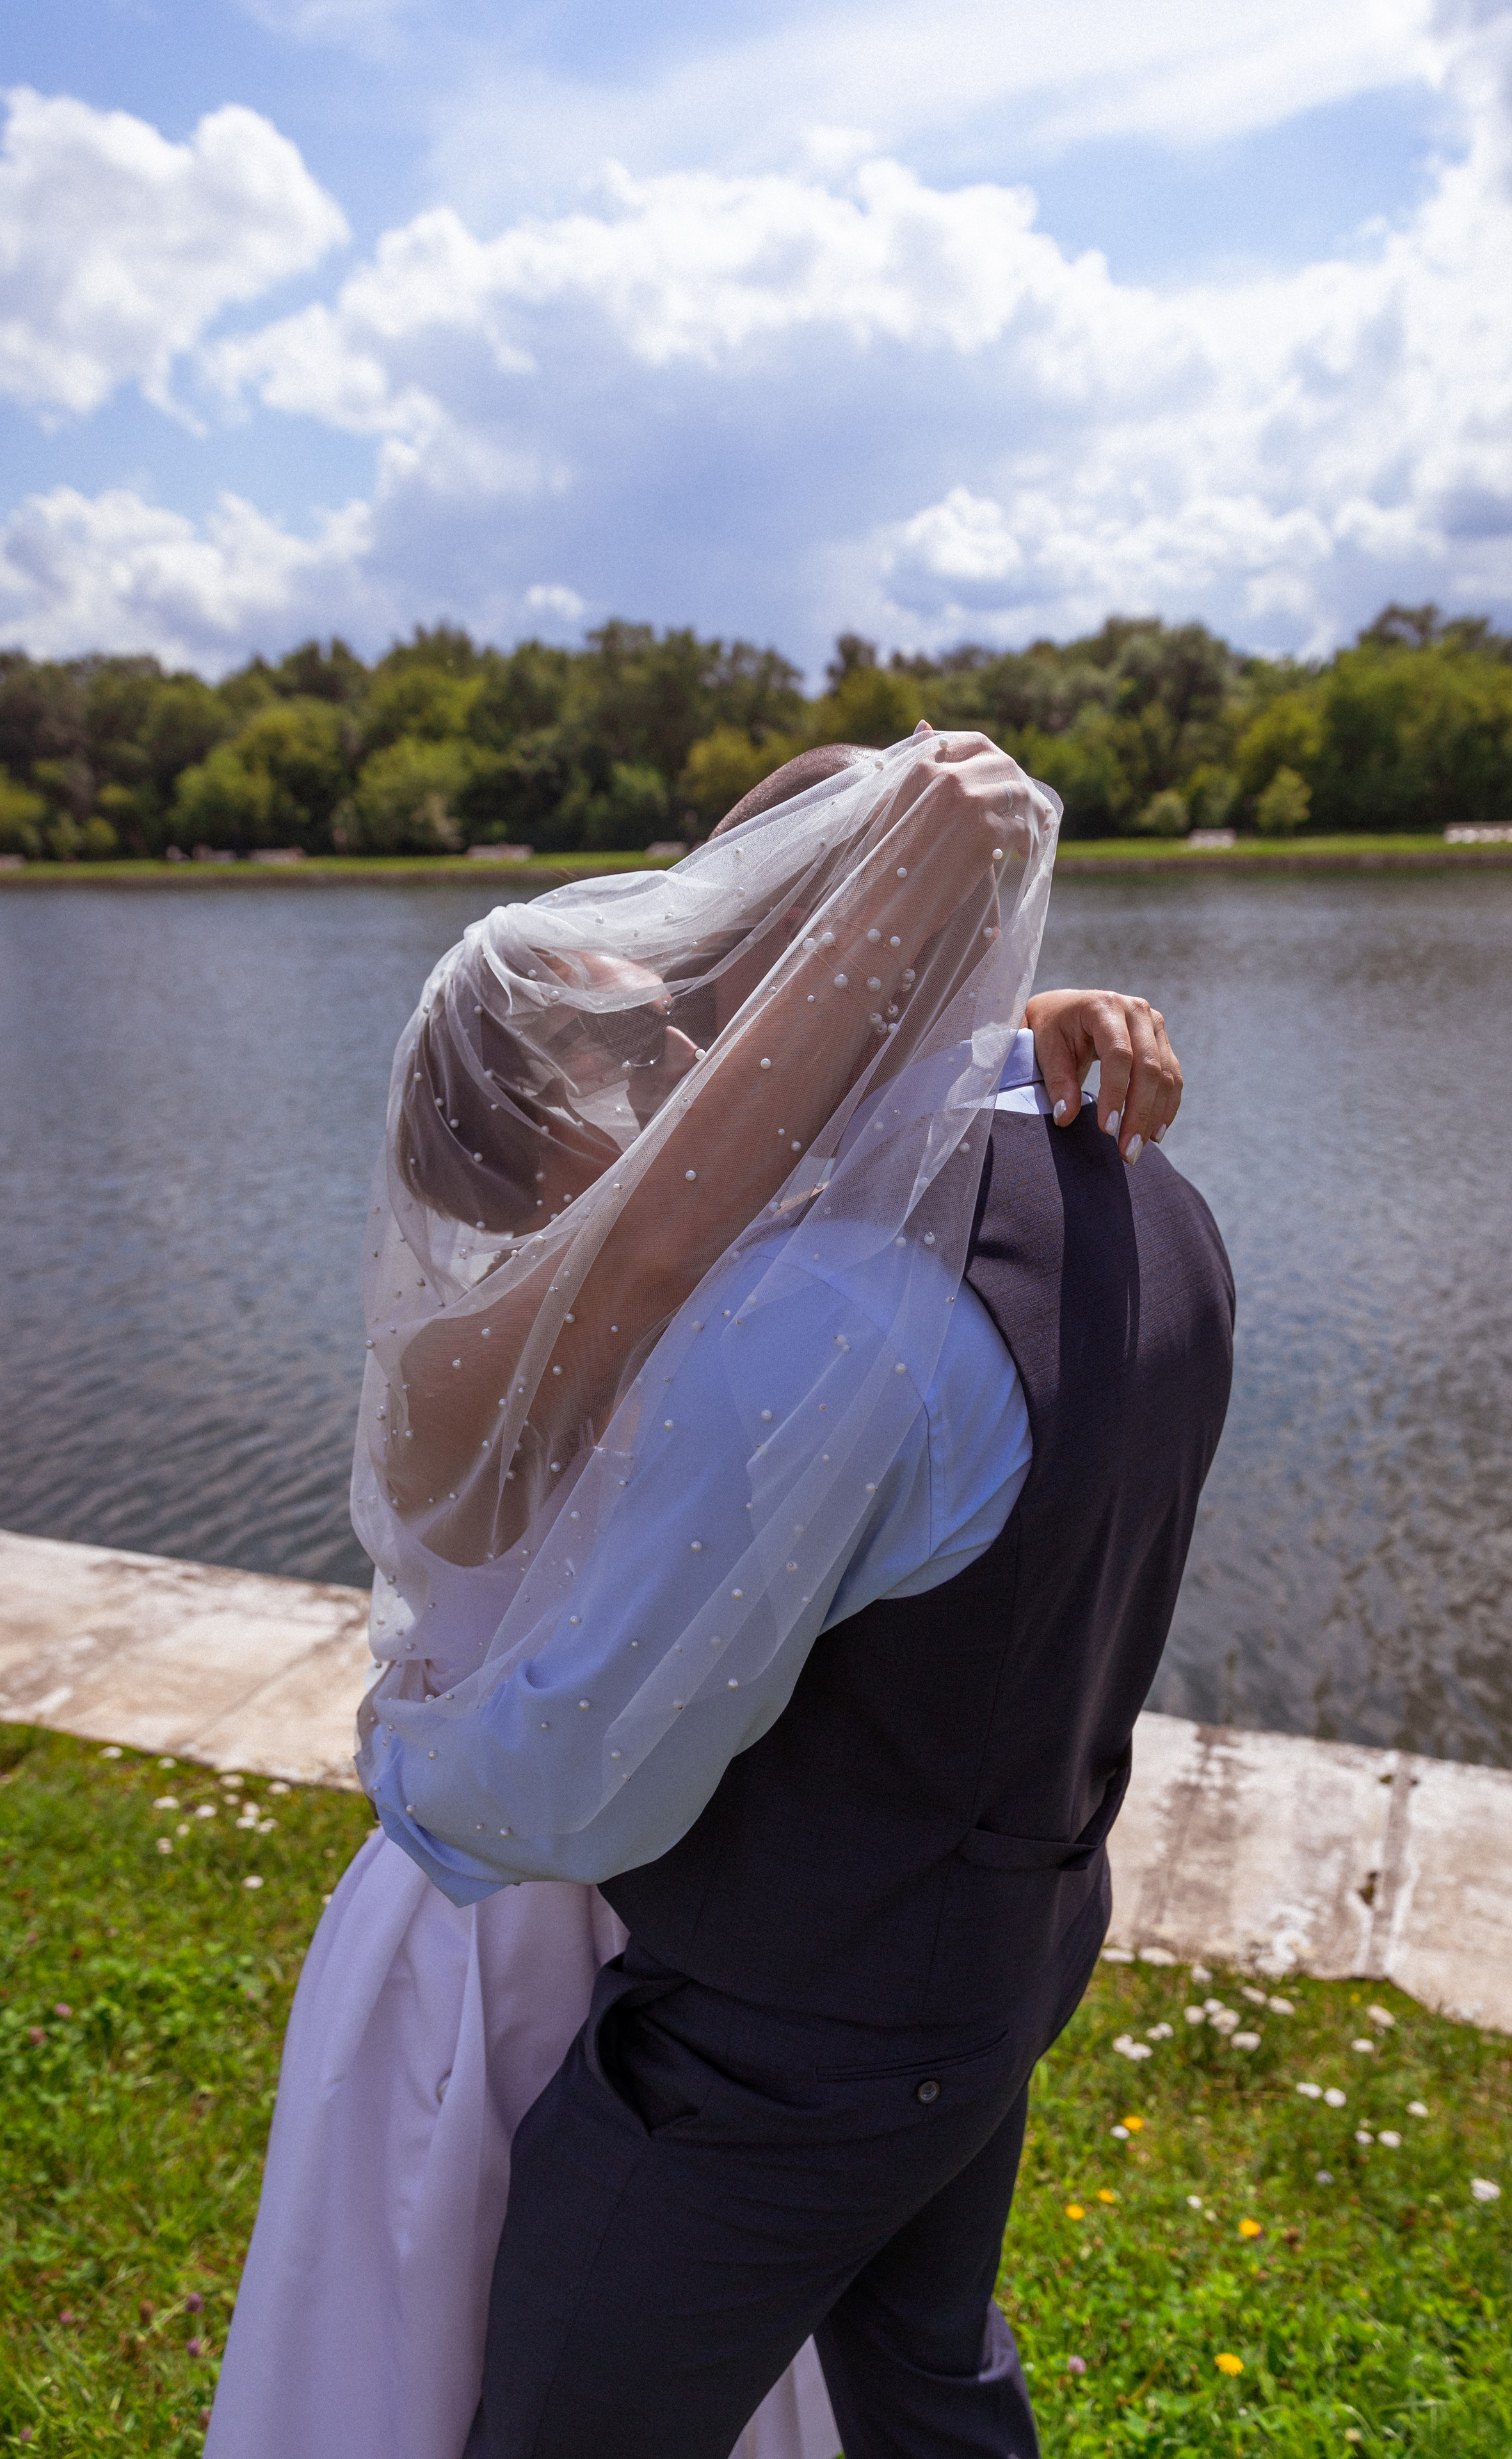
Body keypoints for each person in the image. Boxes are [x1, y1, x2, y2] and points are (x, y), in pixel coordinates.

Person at [205, 726, 1223, 2459]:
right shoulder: (560, 1332)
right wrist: (947, 979)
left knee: (630, 2383)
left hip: (725, 1940)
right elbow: (673, 1246)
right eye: (644, 1036)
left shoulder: (787, 1297)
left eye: (707, 1000)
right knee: (459, 2329)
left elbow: (738, 1231)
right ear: (522, 1119)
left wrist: (996, 1021)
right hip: (529, 1910)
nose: (704, 1046)